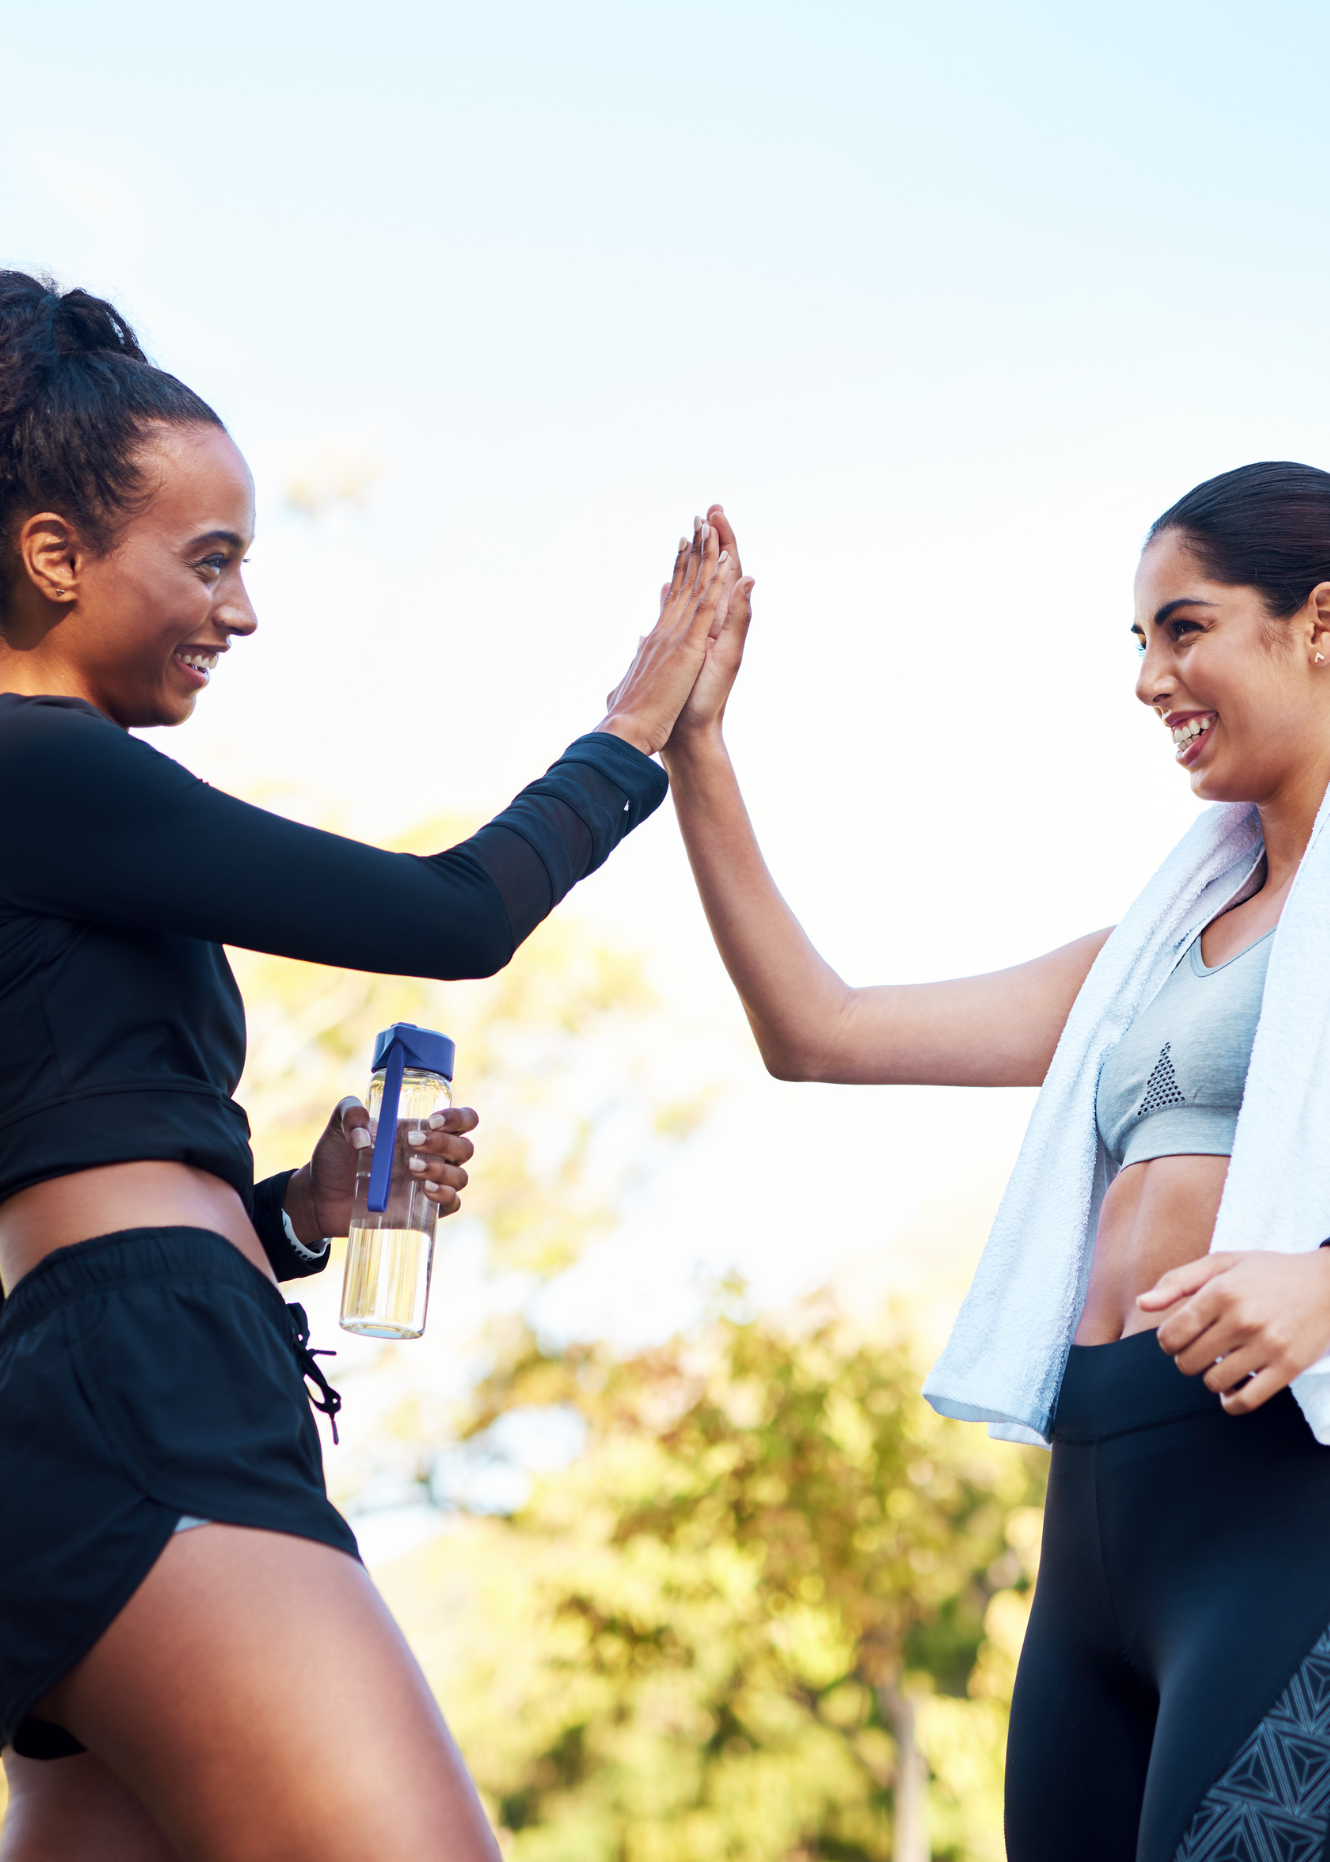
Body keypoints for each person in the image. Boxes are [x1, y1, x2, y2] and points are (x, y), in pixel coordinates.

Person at [0, 271, 737, 1862]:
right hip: (146, 1387)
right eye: (210, 560)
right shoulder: (41, 759)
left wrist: (294, 1210)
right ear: (53, 556)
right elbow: (449, 914)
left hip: (77, 1387)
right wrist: (632, 735)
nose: (242, 611)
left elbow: (56, 1144)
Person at [664, 477, 1330, 1860]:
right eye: (1138, 641)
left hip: (1283, 1512)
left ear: (1318, 622)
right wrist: (696, 751)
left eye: (1185, 627)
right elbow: (819, 1030)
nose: (1148, 678)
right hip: (1094, 1523)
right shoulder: (1146, 953)